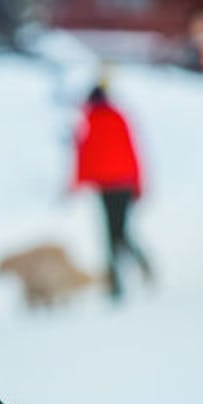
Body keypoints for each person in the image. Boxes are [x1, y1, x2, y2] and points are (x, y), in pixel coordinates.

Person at [73, 81, 153, 301]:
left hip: (107, 186)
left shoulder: (89, 121)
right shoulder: (117, 118)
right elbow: (132, 152)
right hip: (122, 184)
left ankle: (119, 282)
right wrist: (138, 184)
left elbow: (83, 155)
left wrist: (76, 182)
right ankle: (131, 273)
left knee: (113, 234)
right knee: (119, 232)